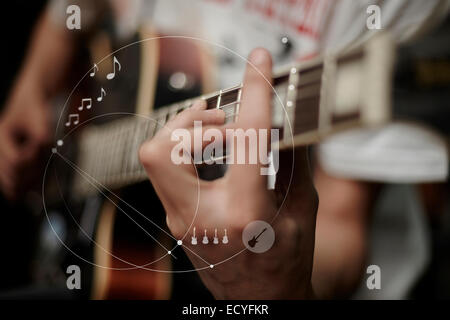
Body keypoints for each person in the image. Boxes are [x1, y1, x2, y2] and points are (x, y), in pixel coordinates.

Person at [1, 0, 448, 299]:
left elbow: (340, 233)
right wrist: (33, 84)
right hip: (103, 232)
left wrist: (274, 282)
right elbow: (71, 14)